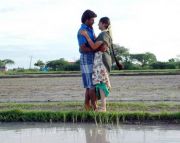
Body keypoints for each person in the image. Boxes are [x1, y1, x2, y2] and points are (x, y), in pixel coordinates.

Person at [80, 17, 113, 112]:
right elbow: (96, 43)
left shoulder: (103, 34)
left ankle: (103, 107)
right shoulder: (104, 34)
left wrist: (86, 36)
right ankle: (102, 106)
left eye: (99, 23)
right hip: (101, 61)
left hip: (101, 61)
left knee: (102, 83)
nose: (97, 25)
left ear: (103, 24)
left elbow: (94, 46)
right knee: (102, 83)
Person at [77, 10, 99, 110]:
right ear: (87, 20)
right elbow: (82, 48)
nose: (94, 21)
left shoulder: (91, 29)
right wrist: (94, 49)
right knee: (91, 85)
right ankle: (95, 107)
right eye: (92, 20)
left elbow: (95, 40)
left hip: (92, 58)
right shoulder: (82, 31)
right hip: (87, 59)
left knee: (89, 84)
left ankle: (87, 105)